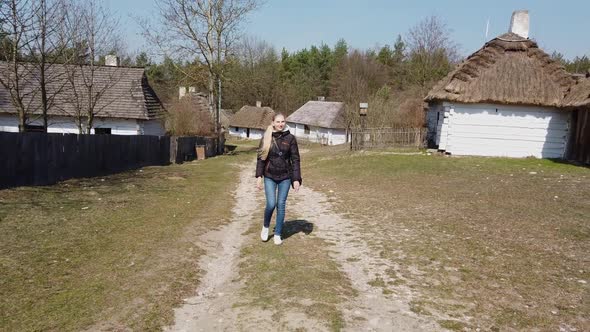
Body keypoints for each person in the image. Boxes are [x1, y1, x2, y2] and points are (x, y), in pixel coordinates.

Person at [255, 113, 302, 245]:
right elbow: (261, 158)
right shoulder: (266, 136)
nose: (280, 124)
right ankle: (265, 227)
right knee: (271, 204)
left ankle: (278, 233)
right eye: (278, 121)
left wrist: (296, 179)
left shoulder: (291, 138)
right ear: (273, 122)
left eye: (283, 121)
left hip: (285, 177)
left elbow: (295, 159)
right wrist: (259, 176)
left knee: (280, 205)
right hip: (269, 176)